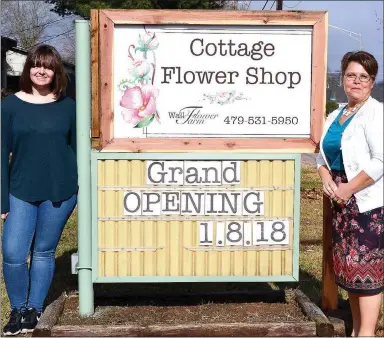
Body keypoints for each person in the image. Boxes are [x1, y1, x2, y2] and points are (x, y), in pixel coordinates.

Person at [1, 44, 77, 336]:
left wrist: (78, 188)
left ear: (56, 70)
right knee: (13, 253)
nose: (41, 70)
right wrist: (2, 199)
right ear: (27, 69)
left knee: (44, 252)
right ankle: (17, 308)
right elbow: (1, 153)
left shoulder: (68, 106)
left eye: (47, 65)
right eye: (35, 65)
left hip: (60, 190)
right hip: (20, 190)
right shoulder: (9, 106)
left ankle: (33, 309)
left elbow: (76, 149)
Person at [316, 51, 383, 337]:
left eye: (363, 77)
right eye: (351, 75)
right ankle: (356, 332)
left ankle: (366, 333)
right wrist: (326, 179)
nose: (356, 81)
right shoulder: (336, 115)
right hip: (342, 203)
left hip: (366, 205)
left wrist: (348, 188)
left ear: (372, 81)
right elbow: (320, 156)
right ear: (342, 78)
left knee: (368, 276)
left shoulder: (376, 112)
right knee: (353, 275)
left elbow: (380, 160)